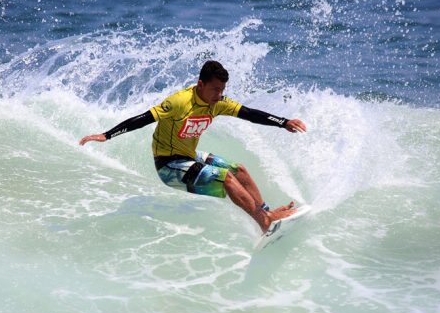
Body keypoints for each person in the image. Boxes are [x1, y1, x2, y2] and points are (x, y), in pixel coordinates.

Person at [79, 60, 307, 233]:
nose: (219, 95)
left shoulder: (217, 103)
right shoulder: (179, 102)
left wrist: (283, 122)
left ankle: (266, 213)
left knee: (240, 170)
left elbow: (249, 113)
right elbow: (144, 118)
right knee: (226, 177)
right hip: (169, 165)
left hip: (189, 155)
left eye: (222, 90)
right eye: (215, 89)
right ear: (201, 84)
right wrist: (106, 135)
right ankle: (264, 222)